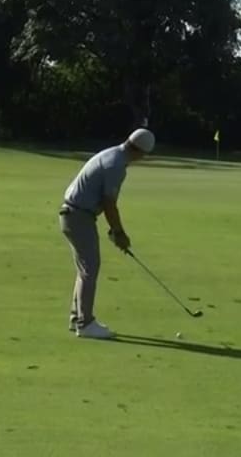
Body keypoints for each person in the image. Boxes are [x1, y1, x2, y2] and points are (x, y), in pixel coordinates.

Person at [58, 128, 155, 339]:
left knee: (85, 269)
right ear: (139, 152)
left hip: (74, 214)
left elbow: (103, 201)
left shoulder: (112, 153)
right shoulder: (116, 165)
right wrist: (119, 232)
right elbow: (110, 203)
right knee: (89, 269)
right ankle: (85, 324)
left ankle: (77, 318)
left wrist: (114, 230)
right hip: (78, 216)